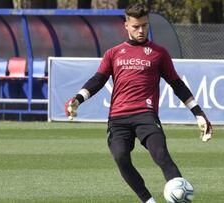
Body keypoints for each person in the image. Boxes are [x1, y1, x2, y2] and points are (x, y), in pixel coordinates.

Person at [65, 2, 213, 203]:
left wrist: (198, 113)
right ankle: (148, 201)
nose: (141, 30)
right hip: (118, 118)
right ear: (126, 25)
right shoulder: (114, 53)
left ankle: (180, 199)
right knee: (120, 157)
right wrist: (78, 99)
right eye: (136, 26)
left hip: (146, 115)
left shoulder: (159, 53)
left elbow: (177, 84)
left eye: (144, 25)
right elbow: (98, 80)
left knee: (161, 155)